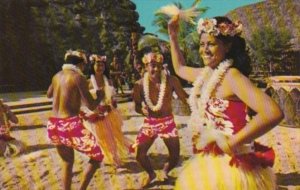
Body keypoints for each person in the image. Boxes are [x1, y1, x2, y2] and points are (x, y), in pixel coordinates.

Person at [168, 15, 284, 190]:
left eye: (211, 44)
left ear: (227, 46)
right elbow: (180, 69)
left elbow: (273, 112)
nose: (204, 50)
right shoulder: (206, 74)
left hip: (233, 166)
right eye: (202, 44)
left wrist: (233, 142)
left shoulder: (232, 76)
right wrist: (173, 37)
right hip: (210, 158)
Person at [46, 50, 105, 190]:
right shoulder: (78, 77)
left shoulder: (56, 76)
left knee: (67, 162)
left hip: (54, 124)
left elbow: (49, 94)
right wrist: (100, 96)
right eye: (83, 65)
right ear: (80, 64)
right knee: (97, 157)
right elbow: (91, 105)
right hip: (70, 124)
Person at [132, 48, 188, 187]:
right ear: (146, 67)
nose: (156, 69)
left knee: (175, 155)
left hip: (167, 121)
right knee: (139, 154)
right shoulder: (139, 85)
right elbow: (137, 106)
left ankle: (165, 172)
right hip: (150, 122)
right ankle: (151, 174)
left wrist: (199, 100)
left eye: (159, 66)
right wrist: (142, 110)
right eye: (153, 66)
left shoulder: (172, 80)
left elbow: (184, 98)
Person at [80, 54, 132, 168]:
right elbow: (83, 102)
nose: (100, 67)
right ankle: (98, 159)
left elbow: (112, 99)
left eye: (102, 65)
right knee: (97, 138)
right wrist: (92, 112)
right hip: (93, 114)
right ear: (92, 66)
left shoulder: (108, 80)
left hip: (108, 114)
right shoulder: (87, 82)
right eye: (97, 64)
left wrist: (111, 105)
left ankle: (113, 157)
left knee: (110, 137)